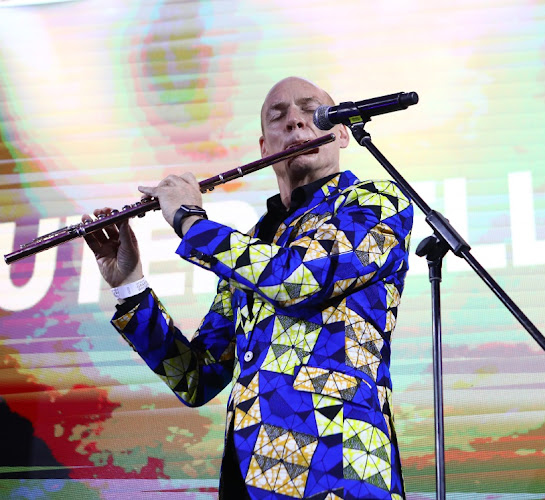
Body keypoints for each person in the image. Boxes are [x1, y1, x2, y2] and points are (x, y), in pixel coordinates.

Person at [82, 77, 413, 499]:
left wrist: (189, 220)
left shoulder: (374, 201)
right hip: (247, 475)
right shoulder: (257, 242)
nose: (295, 121)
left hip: (336, 467)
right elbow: (197, 377)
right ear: (263, 147)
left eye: (310, 110)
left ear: (342, 132)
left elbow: (294, 280)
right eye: (278, 117)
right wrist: (130, 285)